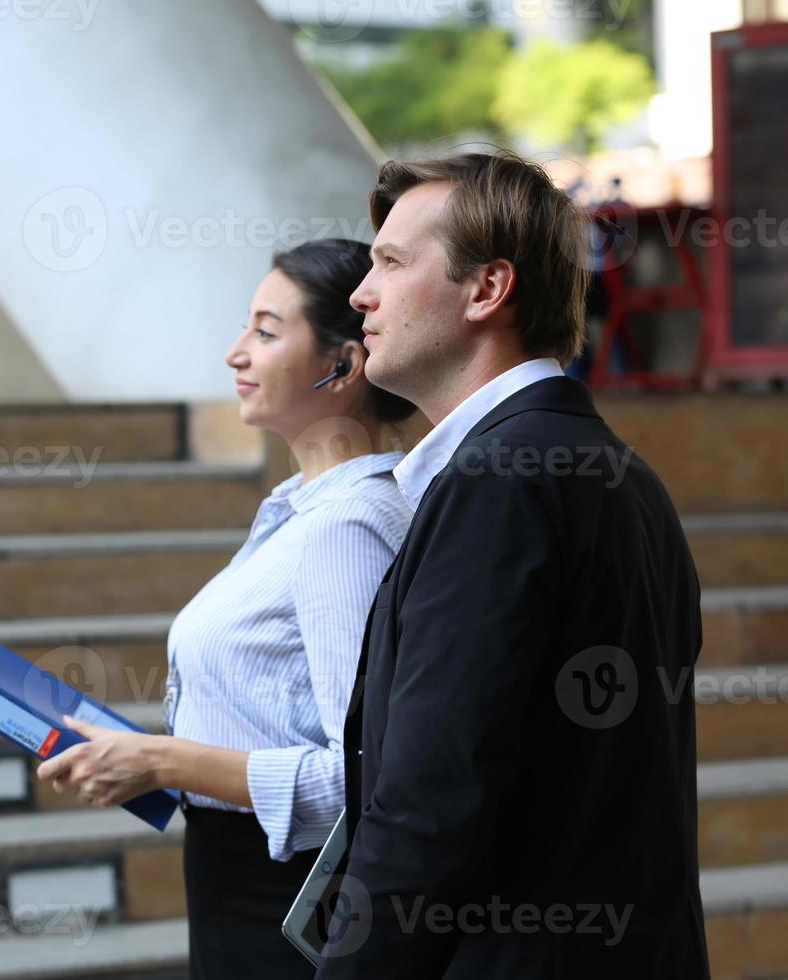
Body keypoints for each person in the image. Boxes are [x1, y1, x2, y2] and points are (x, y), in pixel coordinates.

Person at [319, 153, 710, 979]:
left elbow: (429, 803)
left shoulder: (496, 483)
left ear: (485, 290)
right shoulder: (620, 474)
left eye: (389, 263)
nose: (361, 293)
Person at [35, 239, 417, 979]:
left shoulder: (345, 526)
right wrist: (138, 756)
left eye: (266, 332)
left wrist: (160, 758)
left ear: (342, 363)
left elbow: (366, 775)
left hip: (283, 899)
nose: (235, 353)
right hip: (234, 882)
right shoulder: (296, 511)